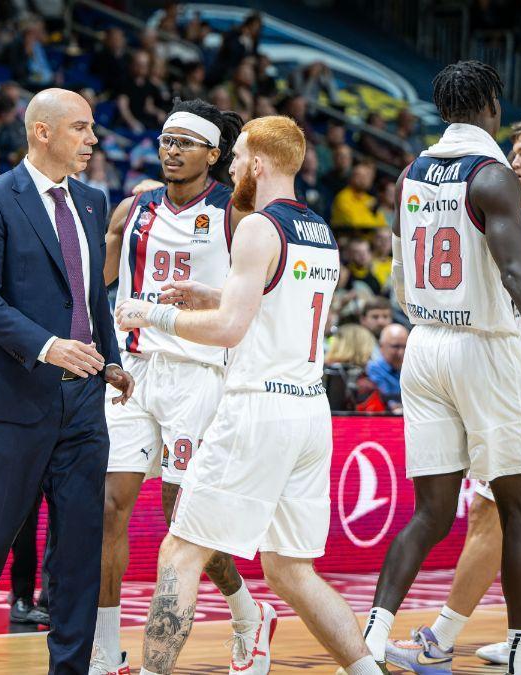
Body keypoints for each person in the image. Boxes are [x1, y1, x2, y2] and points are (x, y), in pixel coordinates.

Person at [115, 115, 383, 675]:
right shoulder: (320, 231)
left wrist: (152, 313)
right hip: (310, 410)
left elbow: (230, 330)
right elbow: (274, 298)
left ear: (258, 164)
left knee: (180, 550)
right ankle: (367, 670)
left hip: (259, 405)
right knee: (290, 571)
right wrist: (211, 292)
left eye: (236, 156)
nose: (231, 165)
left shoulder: (259, 227)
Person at [361, 61, 521, 674]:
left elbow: (397, 272)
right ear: (492, 104)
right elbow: (518, 277)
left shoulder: (409, 172)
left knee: (432, 512)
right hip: (483, 346)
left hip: (422, 345)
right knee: (518, 507)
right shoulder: (493, 175)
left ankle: (368, 639)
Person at [0, 88, 133, 675]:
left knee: (78, 554)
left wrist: (107, 359)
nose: (92, 139)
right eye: (81, 128)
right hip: (12, 397)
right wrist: (48, 348)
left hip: (84, 401)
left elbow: (92, 298)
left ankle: (69, 669)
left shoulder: (92, 201)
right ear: (42, 132)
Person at [93, 99, 255, 674]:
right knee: (109, 509)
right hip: (134, 373)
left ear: (215, 154)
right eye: (166, 139)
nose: (172, 149)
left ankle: (245, 612)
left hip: (201, 374)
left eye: (186, 142)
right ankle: (105, 653)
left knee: (182, 523)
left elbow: (262, 293)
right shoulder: (131, 208)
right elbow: (90, 277)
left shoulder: (237, 212)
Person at [366, 323, 406, 410]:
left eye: (405, 346)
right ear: (381, 346)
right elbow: (387, 402)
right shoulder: (374, 369)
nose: (401, 352)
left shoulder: (409, 369)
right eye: (396, 346)